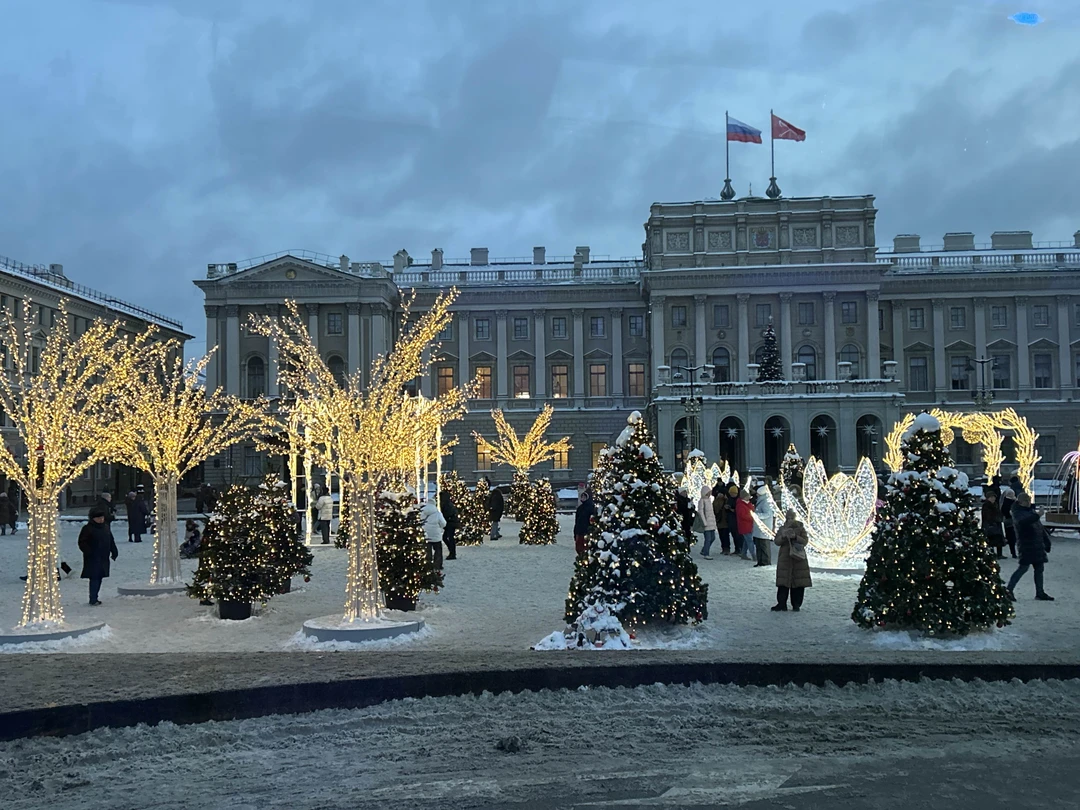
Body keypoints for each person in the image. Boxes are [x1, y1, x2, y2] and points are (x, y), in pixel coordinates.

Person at [1006, 492, 1054, 602]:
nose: (1028, 503)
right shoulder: (1017, 512)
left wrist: (1047, 542)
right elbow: (1023, 522)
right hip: (1026, 544)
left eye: (1028, 501)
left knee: (1039, 569)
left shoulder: (1030, 511)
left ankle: (1040, 592)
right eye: (1026, 501)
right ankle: (1009, 590)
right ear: (1020, 502)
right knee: (1023, 568)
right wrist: (1038, 515)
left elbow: (1039, 528)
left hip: (1036, 544)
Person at [772, 509, 812, 611]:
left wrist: (795, 537)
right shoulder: (782, 529)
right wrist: (783, 537)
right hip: (785, 558)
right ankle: (781, 603)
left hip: (798, 558)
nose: (789, 520)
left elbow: (805, 541)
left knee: (798, 582)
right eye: (788, 518)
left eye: (791, 518)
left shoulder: (801, 528)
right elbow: (777, 541)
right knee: (783, 582)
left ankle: (796, 604)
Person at [79, 507, 118, 606]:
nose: (101, 519)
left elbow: (111, 540)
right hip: (93, 558)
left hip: (103, 557)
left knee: (99, 577)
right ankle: (93, 598)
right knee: (94, 577)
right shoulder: (88, 529)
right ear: (93, 518)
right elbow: (82, 542)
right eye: (98, 518)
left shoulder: (105, 527)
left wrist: (114, 551)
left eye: (102, 517)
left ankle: (95, 596)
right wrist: (89, 552)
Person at [420, 499, 446, 570]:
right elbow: (443, 524)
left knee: (427, 551)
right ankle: (437, 565)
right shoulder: (438, 513)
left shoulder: (422, 512)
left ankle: (428, 566)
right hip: (436, 535)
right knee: (438, 550)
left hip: (426, 535)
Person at [753, 485, 775, 567]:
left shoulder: (765, 502)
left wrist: (757, 515)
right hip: (760, 528)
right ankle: (761, 561)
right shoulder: (763, 501)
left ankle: (765, 562)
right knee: (759, 545)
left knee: (764, 546)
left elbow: (768, 514)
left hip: (764, 528)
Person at [981, 491, 1005, 558]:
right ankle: (992, 554)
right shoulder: (986, 505)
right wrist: (995, 518)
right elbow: (987, 516)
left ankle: (999, 554)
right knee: (991, 540)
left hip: (996, 524)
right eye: (991, 497)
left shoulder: (995, 504)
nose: (993, 499)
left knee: (998, 540)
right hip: (990, 525)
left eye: (994, 497)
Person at [696, 484, 717, 559]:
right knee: (708, 539)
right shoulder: (702, 501)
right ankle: (706, 553)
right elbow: (701, 512)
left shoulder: (709, 500)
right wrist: (704, 522)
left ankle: (704, 550)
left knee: (712, 538)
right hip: (706, 523)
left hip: (711, 523)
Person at [573, 489, 595, 557]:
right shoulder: (580, 508)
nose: (583, 498)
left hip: (586, 531)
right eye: (582, 497)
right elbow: (577, 520)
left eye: (584, 497)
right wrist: (575, 531)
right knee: (579, 548)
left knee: (585, 547)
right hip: (579, 531)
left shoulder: (591, 508)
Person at [711, 483, 731, 555]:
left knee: (724, 535)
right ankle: (724, 548)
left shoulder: (725, 501)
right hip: (720, 520)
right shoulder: (717, 501)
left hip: (723, 521)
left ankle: (726, 548)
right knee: (722, 535)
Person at [735, 489, 755, 561]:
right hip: (744, 525)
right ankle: (754, 555)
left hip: (748, 525)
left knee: (746, 541)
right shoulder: (740, 505)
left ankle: (743, 554)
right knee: (749, 541)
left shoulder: (747, 503)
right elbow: (742, 516)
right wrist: (752, 517)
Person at [439, 489, 458, 560]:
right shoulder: (447, 503)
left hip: (450, 523)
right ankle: (452, 552)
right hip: (450, 522)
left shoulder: (446, 504)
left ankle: (452, 553)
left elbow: (448, 514)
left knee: (448, 538)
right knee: (448, 538)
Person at [1000, 485, 1018, 558]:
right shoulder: (1011, 502)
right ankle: (1013, 553)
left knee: (1012, 538)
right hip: (1010, 522)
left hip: (1010, 522)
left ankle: (1014, 552)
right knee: (1012, 538)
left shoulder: (1011, 501)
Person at [726, 484, 741, 555]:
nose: (731, 494)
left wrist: (732, 509)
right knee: (734, 535)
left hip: (737, 520)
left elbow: (739, 511)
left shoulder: (738, 500)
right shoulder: (730, 499)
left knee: (738, 536)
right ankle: (737, 549)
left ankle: (739, 549)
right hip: (731, 519)